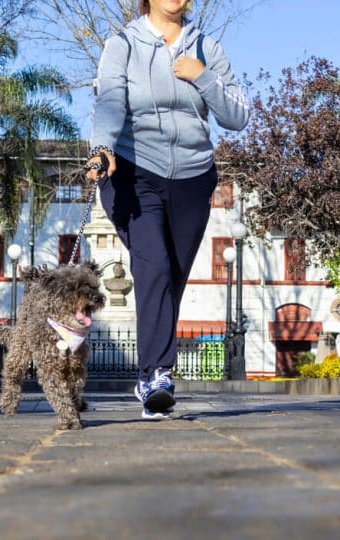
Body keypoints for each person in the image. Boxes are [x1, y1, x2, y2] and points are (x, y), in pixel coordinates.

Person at [85, 0, 248, 419]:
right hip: (135, 172)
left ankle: (153, 373)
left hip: (193, 178)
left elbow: (237, 116)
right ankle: (156, 375)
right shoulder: (123, 45)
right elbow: (110, 102)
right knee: (153, 265)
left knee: (172, 275)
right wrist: (102, 149)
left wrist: (203, 77)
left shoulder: (207, 48)